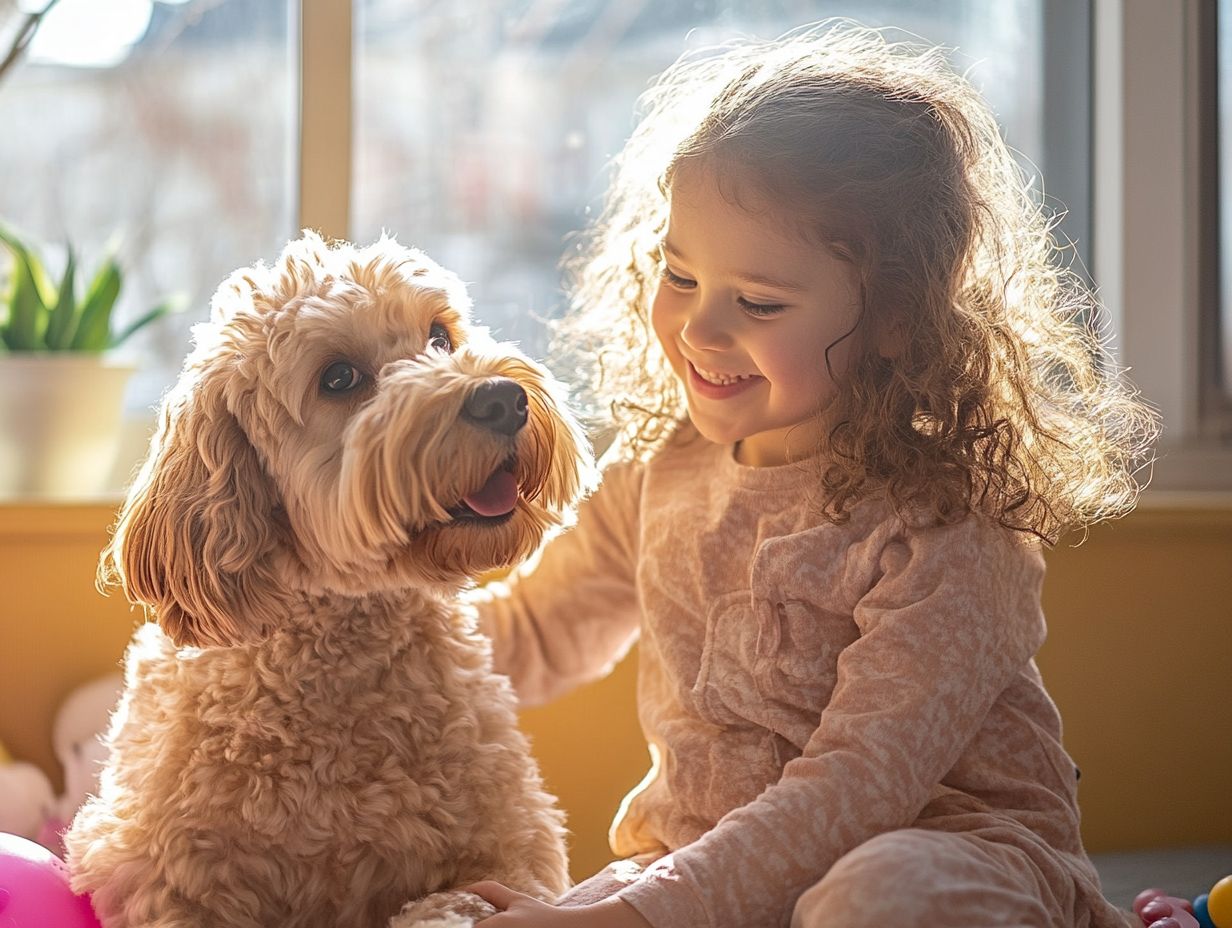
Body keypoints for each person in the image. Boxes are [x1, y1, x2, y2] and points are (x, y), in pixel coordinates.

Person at [464, 22, 1156, 928]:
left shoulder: (948, 529)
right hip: (703, 868)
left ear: (898, 314)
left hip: (944, 858)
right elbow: (525, 637)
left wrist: (631, 916)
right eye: (678, 275)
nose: (699, 331)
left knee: (874, 895)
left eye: (757, 303)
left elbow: (855, 790)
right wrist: (344, 639)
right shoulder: (661, 475)